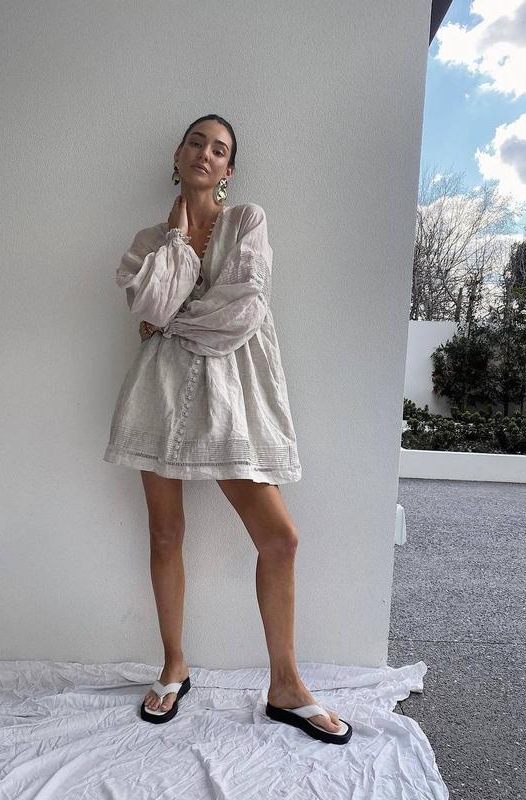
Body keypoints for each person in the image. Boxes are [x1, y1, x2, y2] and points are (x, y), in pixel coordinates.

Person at [103, 114, 352, 744]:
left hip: (231, 400)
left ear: (229, 170)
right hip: (159, 396)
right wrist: (176, 244)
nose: (205, 154)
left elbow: (240, 310)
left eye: (219, 150)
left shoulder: (247, 222)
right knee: (165, 534)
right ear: (178, 154)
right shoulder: (150, 240)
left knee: (280, 539)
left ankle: (286, 685)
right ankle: (174, 666)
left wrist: (167, 321)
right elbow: (147, 302)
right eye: (196, 142)